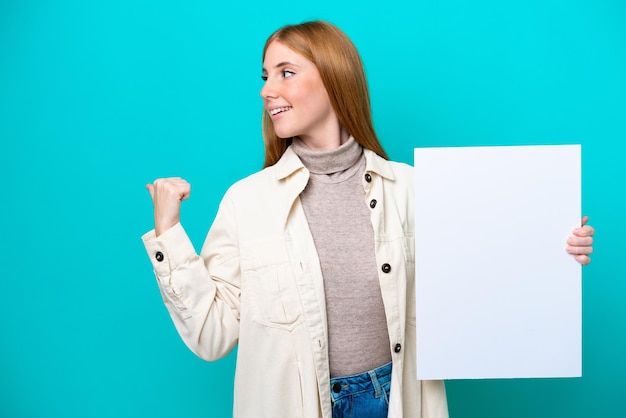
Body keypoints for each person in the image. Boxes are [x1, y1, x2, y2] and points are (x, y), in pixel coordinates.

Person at [142, 20, 595, 418]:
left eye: (286, 73)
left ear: (334, 78)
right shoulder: (247, 201)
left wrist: (554, 250)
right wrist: (169, 234)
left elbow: (479, 273)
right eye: (265, 76)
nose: (266, 90)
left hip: (396, 400)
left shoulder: (412, 188)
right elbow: (211, 334)